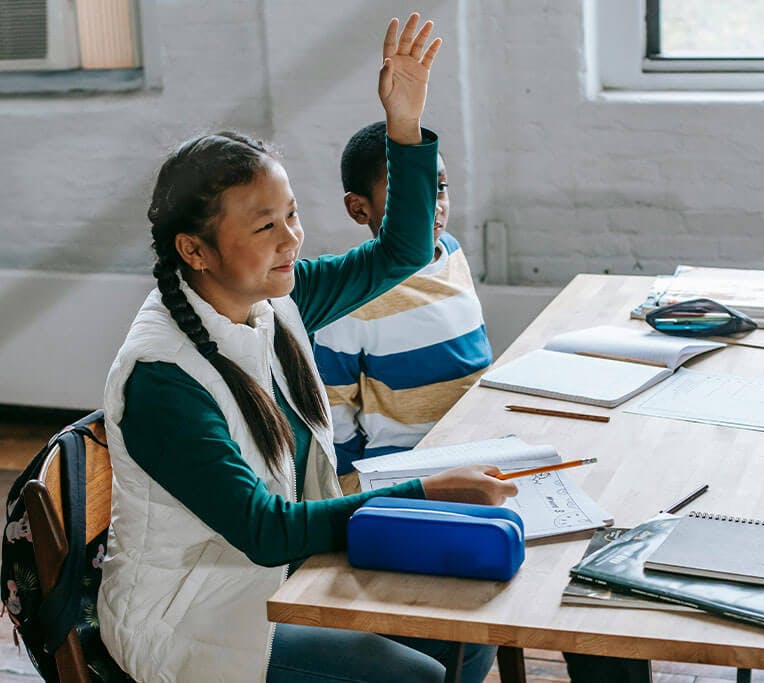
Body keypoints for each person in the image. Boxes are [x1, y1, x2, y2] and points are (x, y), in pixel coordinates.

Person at [97, 14, 518, 683]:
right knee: (415, 673)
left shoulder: (275, 299)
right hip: (197, 613)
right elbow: (264, 530)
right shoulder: (161, 378)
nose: (292, 239)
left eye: (292, 213)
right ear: (195, 251)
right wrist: (422, 493)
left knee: (472, 624)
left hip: (283, 572)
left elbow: (406, 251)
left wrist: (403, 124)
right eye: (266, 225)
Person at [314, 122, 493, 490]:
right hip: (408, 470)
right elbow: (334, 410)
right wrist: (353, 485)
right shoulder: (352, 296)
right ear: (360, 209)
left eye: (439, 187)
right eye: (405, 193)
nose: (433, 205)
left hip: (475, 442)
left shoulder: (452, 252)